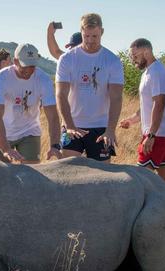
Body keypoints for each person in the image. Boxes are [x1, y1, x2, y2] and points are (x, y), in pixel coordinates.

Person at [55, 13, 124, 162]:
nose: (90, 41)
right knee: (68, 172)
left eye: (95, 36)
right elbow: (61, 95)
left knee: (103, 176)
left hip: (100, 126)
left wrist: (110, 130)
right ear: (81, 32)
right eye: (86, 36)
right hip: (72, 124)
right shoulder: (67, 59)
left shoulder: (112, 61)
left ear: (102, 32)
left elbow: (116, 97)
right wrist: (70, 125)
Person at [0, 43, 62, 164]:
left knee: (32, 174)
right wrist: (6, 148)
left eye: (32, 66)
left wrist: (55, 145)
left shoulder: (43, 79)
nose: (28, 70)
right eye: (24, 66)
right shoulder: (1, 79)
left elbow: (53, 116)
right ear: (15, 61)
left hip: (29, 130)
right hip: (2, 132)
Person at [119, 38, 165, 180]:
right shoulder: (147, 73)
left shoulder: (157, 72)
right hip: (158, 133)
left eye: (135, 56)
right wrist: (132, 120)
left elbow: (159, 104)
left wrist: (151, 135)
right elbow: (147, 106)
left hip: (157, 134)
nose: (133, 60)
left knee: (141, 177)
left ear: (146, 51)